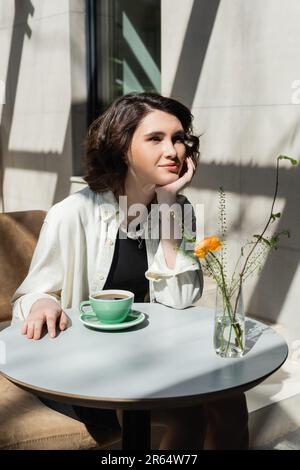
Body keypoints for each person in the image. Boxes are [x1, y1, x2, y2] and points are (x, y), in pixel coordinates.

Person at [11, 92, 248, 449]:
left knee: (232, 401)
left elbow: (181, 299)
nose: (173, 150)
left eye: (179, 138)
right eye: (155, 138)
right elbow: (29, 297)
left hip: (152, 354)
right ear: (123, 147)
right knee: (188, 415)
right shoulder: (73, 212)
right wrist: (42, 302)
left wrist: (168, 204)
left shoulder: (178, 209)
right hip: (87, 364)